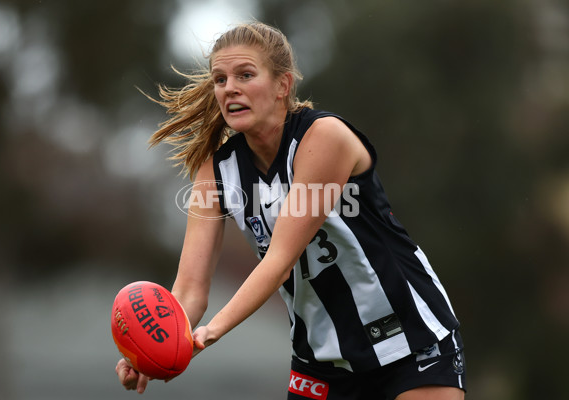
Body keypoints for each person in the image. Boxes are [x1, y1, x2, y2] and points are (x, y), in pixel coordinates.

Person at [116, 22, 466, 400]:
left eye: (245, 75)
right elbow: (189, 289)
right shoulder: (214, 170)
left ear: (282, 85)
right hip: (320, 360)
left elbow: (280, 259)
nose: (229, 87)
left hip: (410, 342)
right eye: (220, 79)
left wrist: (209, 332)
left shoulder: (324, 138)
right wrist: (158, 346)